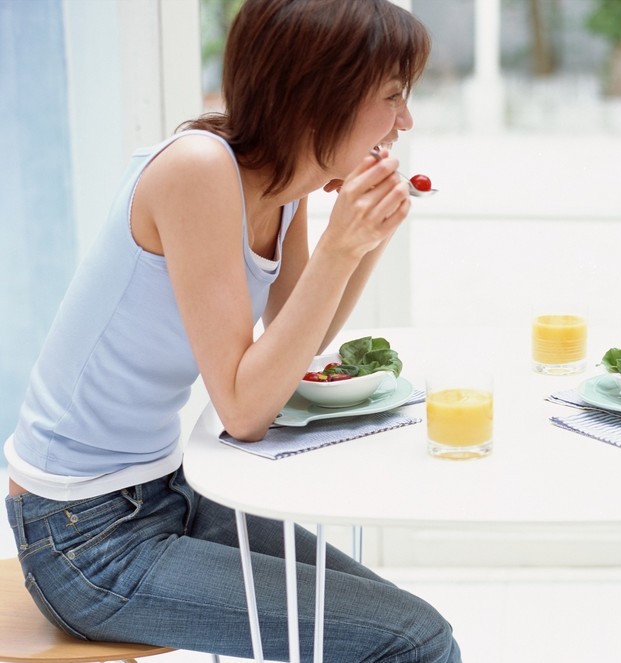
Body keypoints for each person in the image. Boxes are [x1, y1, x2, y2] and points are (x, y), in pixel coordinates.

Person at [4, 0, 461, 660]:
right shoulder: (198, 169)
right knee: (415, 641)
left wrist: (365, 242)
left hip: (169, 492)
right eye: (392, 95)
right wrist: (340, 248)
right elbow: (245, 408)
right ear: (319, 92)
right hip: (81, 538)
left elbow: (297, 337)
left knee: (412, 627)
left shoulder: (284, 188)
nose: (405, 119)